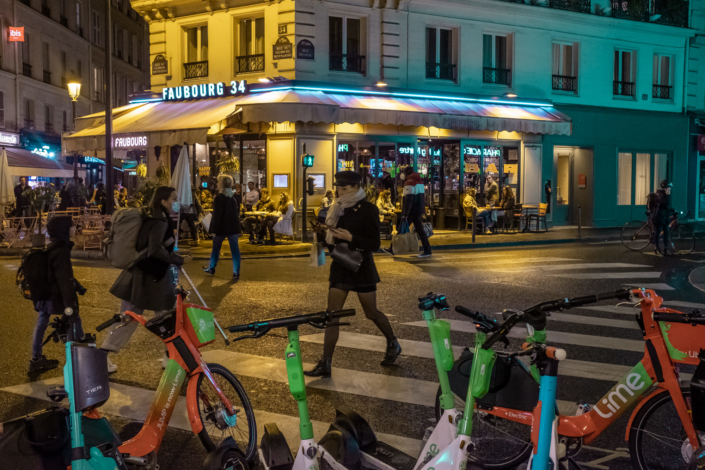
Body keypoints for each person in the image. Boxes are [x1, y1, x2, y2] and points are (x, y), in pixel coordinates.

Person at [305, 171, 401, 378]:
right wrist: (321, 236)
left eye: (344, 188)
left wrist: (352, 237)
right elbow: (330, 242)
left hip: (360, 267)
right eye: (338, 187)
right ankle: (326, 363)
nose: (339, 191)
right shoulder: (335, 209)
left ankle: (393, 341)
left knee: (371, 312)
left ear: (356, 187)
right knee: (332, 315)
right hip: (341, 266)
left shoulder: (368, 209)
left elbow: (375, 244)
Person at [104, 186, 192, 372]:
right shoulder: (159, 221)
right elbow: (155, 249)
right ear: (163, 201)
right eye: (173, 199)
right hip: (153, 277)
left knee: (130, 318)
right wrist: (178, 259)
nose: (176, 202)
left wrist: (177, 254)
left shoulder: (153, 216)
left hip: (141, 275)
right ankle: (170, 357)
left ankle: (103, 356)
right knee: (168, 318)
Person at [29, 216, 86, 372]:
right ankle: (80, 361)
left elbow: (59, 274)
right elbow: (63, 279)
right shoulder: (61, 251)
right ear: (64, 230)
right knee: (73, 321)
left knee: (42, 323)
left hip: (46, 295)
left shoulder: (52, 247)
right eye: (71, 226)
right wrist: (71, 304)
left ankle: (36, 358)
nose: (74, 229)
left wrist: (78, 285)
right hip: (55, 296)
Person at [204, 175, 242, 281]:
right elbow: (237, 213)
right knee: (235, 250)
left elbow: (217, 215)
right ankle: (236, 272)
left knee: (216, 248)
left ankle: (212, 268)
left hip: (221, 227)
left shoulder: (219, 198)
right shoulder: (235, 197)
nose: (217, 183)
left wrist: (213, 230)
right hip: (233, 226)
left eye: (218, 182)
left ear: (222, 184)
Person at [401, 166, 432, 257]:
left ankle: (393, 248)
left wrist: (405, 214)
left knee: (401, 228)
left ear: (406, 173)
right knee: (421, 231)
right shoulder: (419, 182)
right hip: (418, 210)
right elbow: (421, 198)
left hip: (412, 211)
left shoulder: (409, 182)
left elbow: (409, 200)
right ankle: (427, 250)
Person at [650, 180, 674, 256]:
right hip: (659, 217)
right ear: (665, 188)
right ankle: (657, 248)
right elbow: (665, 203)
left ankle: (666, 248)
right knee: (657, 232)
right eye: (669, 188)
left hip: (664, 217)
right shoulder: (659, 195)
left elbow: (667, 206)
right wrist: (667, 195)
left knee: (666, 232)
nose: (670, 189)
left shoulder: (664, 194)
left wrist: (672, 210)